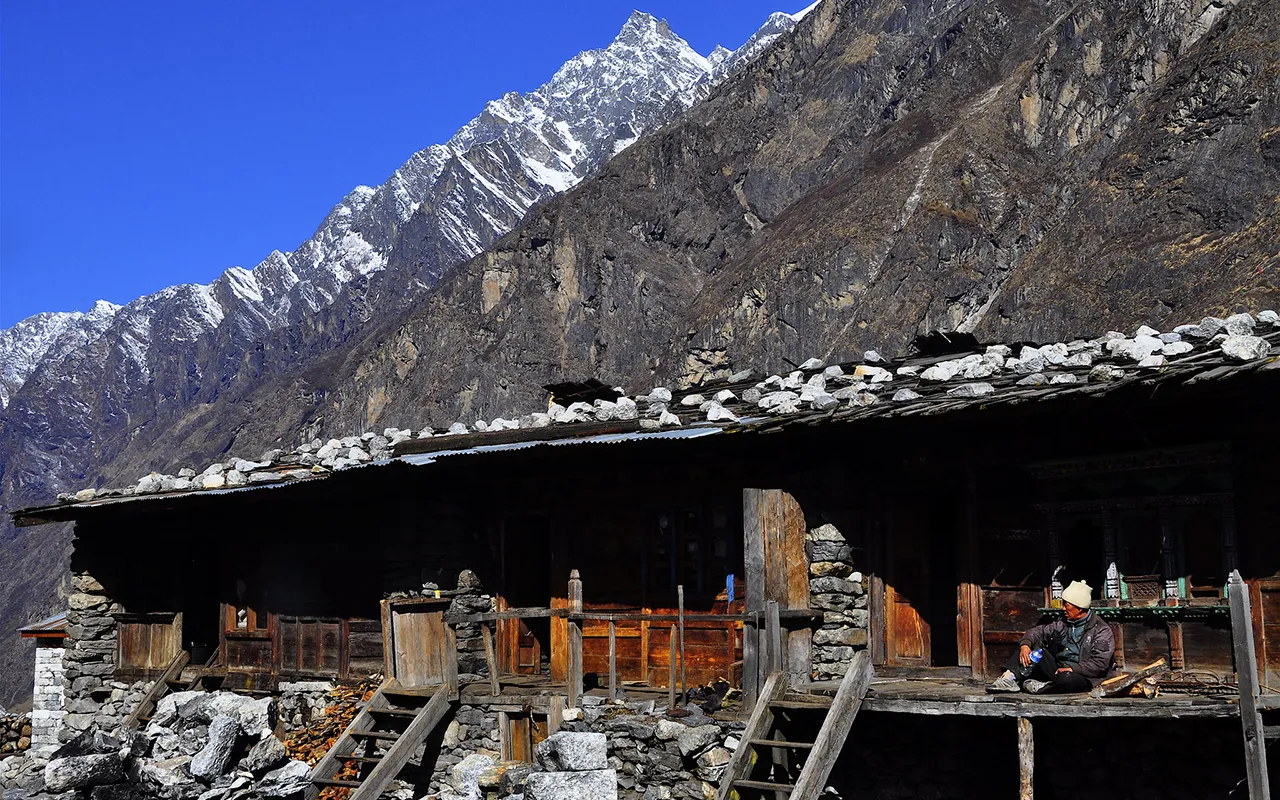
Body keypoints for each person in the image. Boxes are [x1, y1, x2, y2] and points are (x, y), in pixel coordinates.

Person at [987, 580, 1115, 694]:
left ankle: (1044, 687)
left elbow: (1099, 664)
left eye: (1067, 605)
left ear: (1080, 609)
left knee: (1068, 679)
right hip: (1057, 669)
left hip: (1082, 675)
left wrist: (1072, 668)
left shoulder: (1101, 630)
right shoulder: (1062, 623)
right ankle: (1009, 678)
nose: (1063, 608)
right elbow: (1038, 632)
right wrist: (1026, 644)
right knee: (1032, 650)